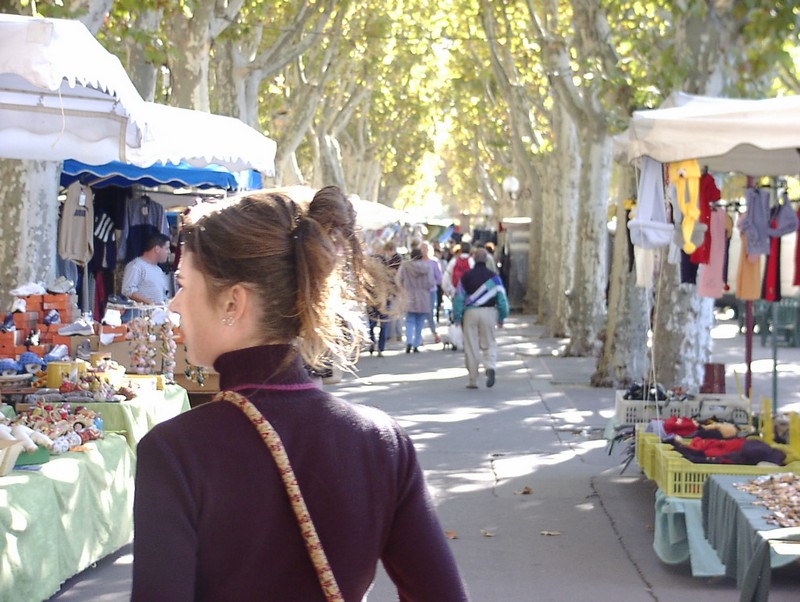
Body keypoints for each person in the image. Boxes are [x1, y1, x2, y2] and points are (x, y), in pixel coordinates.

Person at [131, 187, 468, 601]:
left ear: (233, 302)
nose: (175, 305)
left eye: (183, 285)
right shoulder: (381, 441)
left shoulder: (175, 451)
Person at [453, 248, 509, 389]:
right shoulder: (494, 278)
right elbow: (502, 299)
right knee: (489, 342)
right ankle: (490, 366)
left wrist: (457, 316)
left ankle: (473, 380)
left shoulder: (466, 277)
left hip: (470, 313)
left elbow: (459, 298)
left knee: (471, 346)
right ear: (486, 259)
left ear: (473, 259)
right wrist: (502, 316)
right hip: (489, 312)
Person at [396, 247, 435, 353]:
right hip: (423, 296)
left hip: (409, 295)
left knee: (409, 320)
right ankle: (417, 343)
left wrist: (403, 289)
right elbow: (431, 282)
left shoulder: (405, 267)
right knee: (420, 322)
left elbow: (398, 280)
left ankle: (409, 341)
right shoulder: (427, 267)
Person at [121, 232, 171, 305]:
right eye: (167, 248)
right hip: (141, 312)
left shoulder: (159, 270)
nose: (169, 252)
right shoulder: (136, 266)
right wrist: (151, 303)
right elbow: (128, 290)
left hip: (158, 311)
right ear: (157, 249)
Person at [420, 241, 443, 343]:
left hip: (431, 291)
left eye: (426, 248)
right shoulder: (418, 262)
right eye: (422, 249)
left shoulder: (434, 262)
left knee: (430, 313)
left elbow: (439, 277)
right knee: (420, 313)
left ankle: (435, 333)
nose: (424, 251)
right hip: (420, 292)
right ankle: (419, 337)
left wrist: (432, 283)